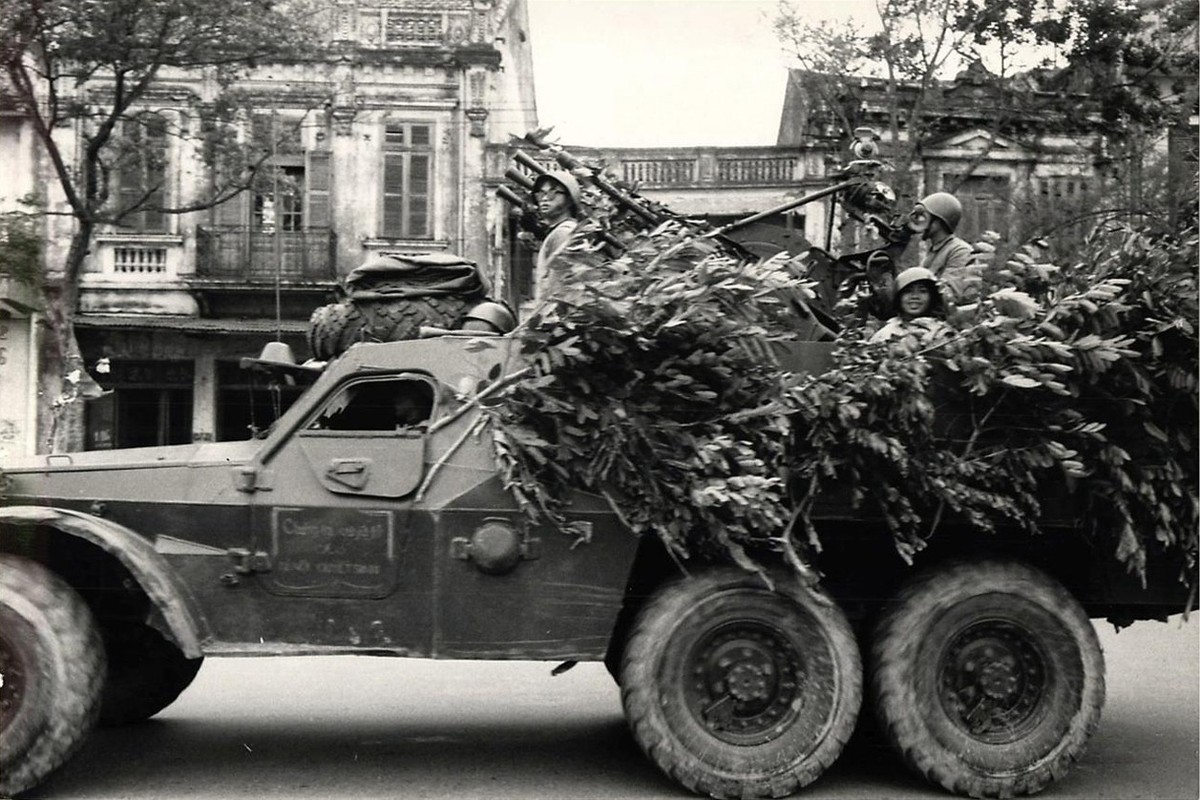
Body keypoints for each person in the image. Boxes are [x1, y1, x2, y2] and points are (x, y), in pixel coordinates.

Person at [531, 171, 582, 300]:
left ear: (569, 200)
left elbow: (556, 289)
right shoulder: (560, 231)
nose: (544, 198)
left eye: (553, 193)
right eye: (541, 193)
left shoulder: (563, 233)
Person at [870, 266, 948, 343]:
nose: (915, 296)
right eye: (908, 291)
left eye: (922, 291)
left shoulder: (942, 331)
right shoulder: (885, 334)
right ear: (899, 297)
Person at [912, 192, 973, 276]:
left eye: (925, 218)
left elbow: (952, 286)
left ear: (938, 222)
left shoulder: (960, 251)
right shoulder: (935, 251)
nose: (920, 222)